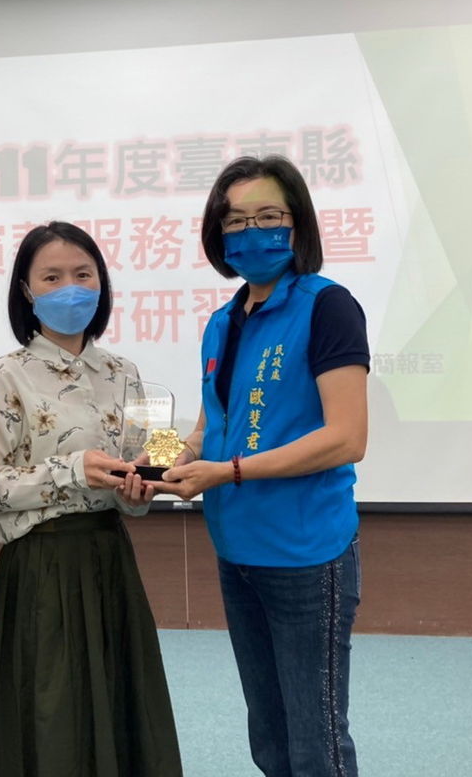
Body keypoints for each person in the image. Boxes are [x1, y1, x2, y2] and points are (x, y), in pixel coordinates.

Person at [154, 156, 370, 777]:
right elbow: (209, 430)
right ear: (218, 234)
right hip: (237, 552)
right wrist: (157, 461)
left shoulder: (328, 306)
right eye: (236, 221)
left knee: (316, 739)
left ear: (298, 222)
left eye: (269, 216)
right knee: (270, 736)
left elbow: (347, 437)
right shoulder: (222, 322)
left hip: (306, 554)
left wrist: (228, 474)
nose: (252, 232)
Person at [0, 221, 183, 777]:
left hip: (111, 557)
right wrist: (72, 470)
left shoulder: (126, 373)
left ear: (101, 283)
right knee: (53, 716)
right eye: (52, 277)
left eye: (83, 275)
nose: (71, 288)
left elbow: (144, 471)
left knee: (123, 708)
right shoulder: (0, 377)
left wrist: (147, 483)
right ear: (26, 290)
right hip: (41, 564)